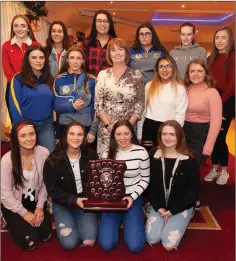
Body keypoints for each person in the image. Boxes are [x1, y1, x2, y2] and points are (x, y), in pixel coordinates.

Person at [43, 121, 98, 250]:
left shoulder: (92, 155)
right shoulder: (53, 160)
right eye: (72, 134)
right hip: (62, 203)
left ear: (84, 137)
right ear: (65, 136)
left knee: (89, 240)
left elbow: (96, 182)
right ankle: (68, 219)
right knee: (70, 244)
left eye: (80, 134)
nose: (76, 138)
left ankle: (81, 222)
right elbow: (52, 190)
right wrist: (74, 200)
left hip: (85, 201)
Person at [146, 120, 199, 250]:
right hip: (159, 203)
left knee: (168, 244)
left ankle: (187, 214)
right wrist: (159, 208)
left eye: (172, 134)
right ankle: (153, 211)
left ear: (179, 136)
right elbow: (149, 185)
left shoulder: (189, 158)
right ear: (160, 136)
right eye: (164, 134)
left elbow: (193, 191)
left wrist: (173, 211)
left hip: (180, 205)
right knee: (152, 238)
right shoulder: (154, 155)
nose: (167, 138)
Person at [99, 120, 150, 252]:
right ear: (113, 136)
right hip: (112, 199)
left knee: (135, 247)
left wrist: (132, 197)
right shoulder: (106, 154)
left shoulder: (141, 152)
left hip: (132, 197)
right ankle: (118, 220)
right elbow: (102, 182)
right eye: (118, 134)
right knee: (106, 245)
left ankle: (136, 215)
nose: (122, 138)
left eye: (126, 134)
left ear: (131, 134)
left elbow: (145, 179)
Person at [1, 120, 52, 250]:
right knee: (30, 243)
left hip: (33, 202)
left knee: (46, 235)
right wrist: (24, 213)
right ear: (16, 138)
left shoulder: (44, 153)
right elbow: (5, 194)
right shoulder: (7, 160)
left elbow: (46, 183)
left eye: (32, 134)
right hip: (14, 204)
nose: (29, 139)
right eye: (23, 135)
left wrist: (40, 206)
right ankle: (6, 219)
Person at [95, 38, 145, 155]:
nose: (117, 53)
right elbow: (98, 105)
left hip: (129, 129)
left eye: (120, 49)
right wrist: (109, 126)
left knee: (129, 165)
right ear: (109, 54)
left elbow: (140, 103)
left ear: (126, 53)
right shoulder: (103, 75)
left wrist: (127, 127)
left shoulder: (136, 75)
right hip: (107, 130)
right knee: (107, 167)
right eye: (113, 50)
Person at [8, 45, 56, 152]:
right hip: (26, 126)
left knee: (51, 157)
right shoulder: (18, 78)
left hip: (46, 125)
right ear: (27, 60)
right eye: (34, 57)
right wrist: (21, 128)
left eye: (41, 57)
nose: (38, 61)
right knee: (27, 159)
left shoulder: (49, 79)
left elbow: (53, 104)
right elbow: (14, 105)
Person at [137, 55, 188, 151]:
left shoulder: (180, 89)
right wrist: (139, 134)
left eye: (168, 66)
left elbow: (180, 114)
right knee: (150, 160)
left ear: (173, 68)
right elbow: (143, 111)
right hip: (149, 128)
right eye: (161, 67)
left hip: (169, 129)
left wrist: (175, 134)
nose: (165, 70)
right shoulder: (149, 85)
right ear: (157, 69)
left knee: (167, 159)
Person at [204, 27, 235, 185]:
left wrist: (218, 103)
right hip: (212, 98)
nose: (220, 41)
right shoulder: (211, 58)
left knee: (220, 136)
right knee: (213, 135)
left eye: (223, 37)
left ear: (230, 39)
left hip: (226, 100)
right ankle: (214, 167)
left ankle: (224, 170)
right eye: (217, 38)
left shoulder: (233, 57)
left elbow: (232, 84)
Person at [183, 58, 222, 167]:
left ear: (206, 73)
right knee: (182, 167)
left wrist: (208, 147)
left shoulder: (212, 92)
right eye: (192, 71)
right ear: (188, 74)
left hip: (200, 133)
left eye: (199, 71)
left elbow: (216, 123)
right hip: (183, 131)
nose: (196, 74)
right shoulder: (185, 89)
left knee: (193, 167)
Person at [2, 14, 41, 122]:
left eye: (23, 26)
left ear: (28, 28)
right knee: (17, 124)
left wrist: (29, 84)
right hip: (13, 89)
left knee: (33, 122)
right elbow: (6, 68)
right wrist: (18, 85)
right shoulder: (6, 46)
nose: (19, 29)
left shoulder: (36, 44)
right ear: (12, 28)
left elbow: (40, 67)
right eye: (16, 25)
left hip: (33, 87)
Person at [53, 46, 96, 141]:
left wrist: (93, 131)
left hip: (86, 126)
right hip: (64, 126)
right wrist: (71, 107)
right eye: (72, 58)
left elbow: (96, 107)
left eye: (78, 58)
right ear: (67, 60)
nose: (75, 61)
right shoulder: (59, 79)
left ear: (83, 60)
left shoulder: (91, 79)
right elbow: (55, 105)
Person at [84, 10, 117, 77]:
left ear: (110, 24)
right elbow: (82, 65)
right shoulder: (86, 43)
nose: (102, 24)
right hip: (90, 84)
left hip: (110, 84)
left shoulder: (116, 43)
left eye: (105, 21)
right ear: (94, 23)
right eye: (99, 21)